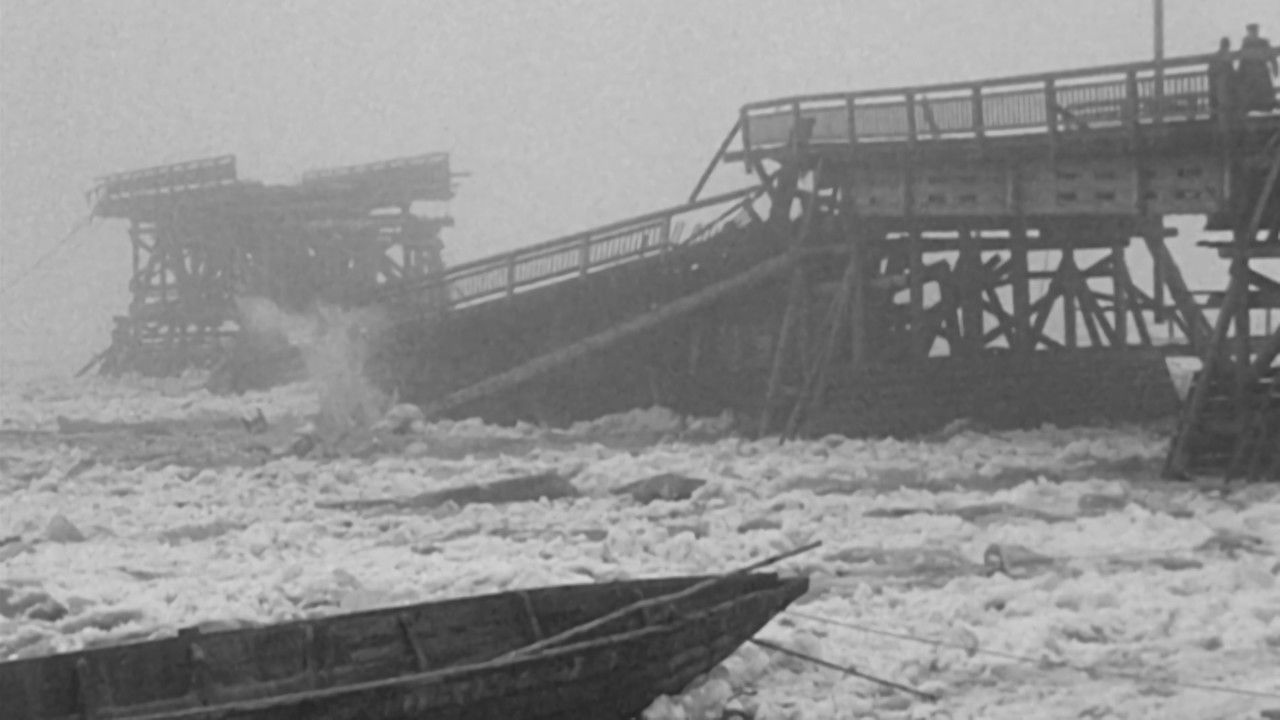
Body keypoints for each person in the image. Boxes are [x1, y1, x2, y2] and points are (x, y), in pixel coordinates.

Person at [1237, 23, 1278, 112]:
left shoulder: (1263, 42)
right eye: (1251, 31)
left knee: (1265, 93)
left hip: (1261, 71)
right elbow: (1242, 59)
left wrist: (1275, 67)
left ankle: (1267, 107)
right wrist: (1240, 73)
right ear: (1248, 32)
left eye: (1255, 31)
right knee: (1251, 94)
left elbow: (1271, 55)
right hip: (1250, 73)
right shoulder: (1246, 43)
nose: (1253, 33)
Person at [1208, 37, 1236, 116]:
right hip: (1220, 85)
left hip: (1218, 85)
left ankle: (1221, 110)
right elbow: (1230, 71)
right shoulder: (1223, 56)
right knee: (1225, 88)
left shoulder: (1216, 56)